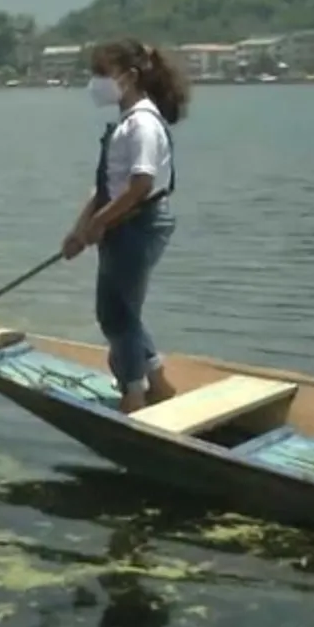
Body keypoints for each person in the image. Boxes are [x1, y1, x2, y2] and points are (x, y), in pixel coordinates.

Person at [61, 38, 189, 414]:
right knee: (120, 311)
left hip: (139, 223)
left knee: (117, 314)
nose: (95, 83)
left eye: (102, 74)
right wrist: (79, 229)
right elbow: (105, 187)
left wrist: (99, 224)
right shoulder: (125, 124)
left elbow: (141, 185)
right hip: (122, 221)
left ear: (130, 77)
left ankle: (134, 394)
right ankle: (159, 382)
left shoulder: (143, 125)